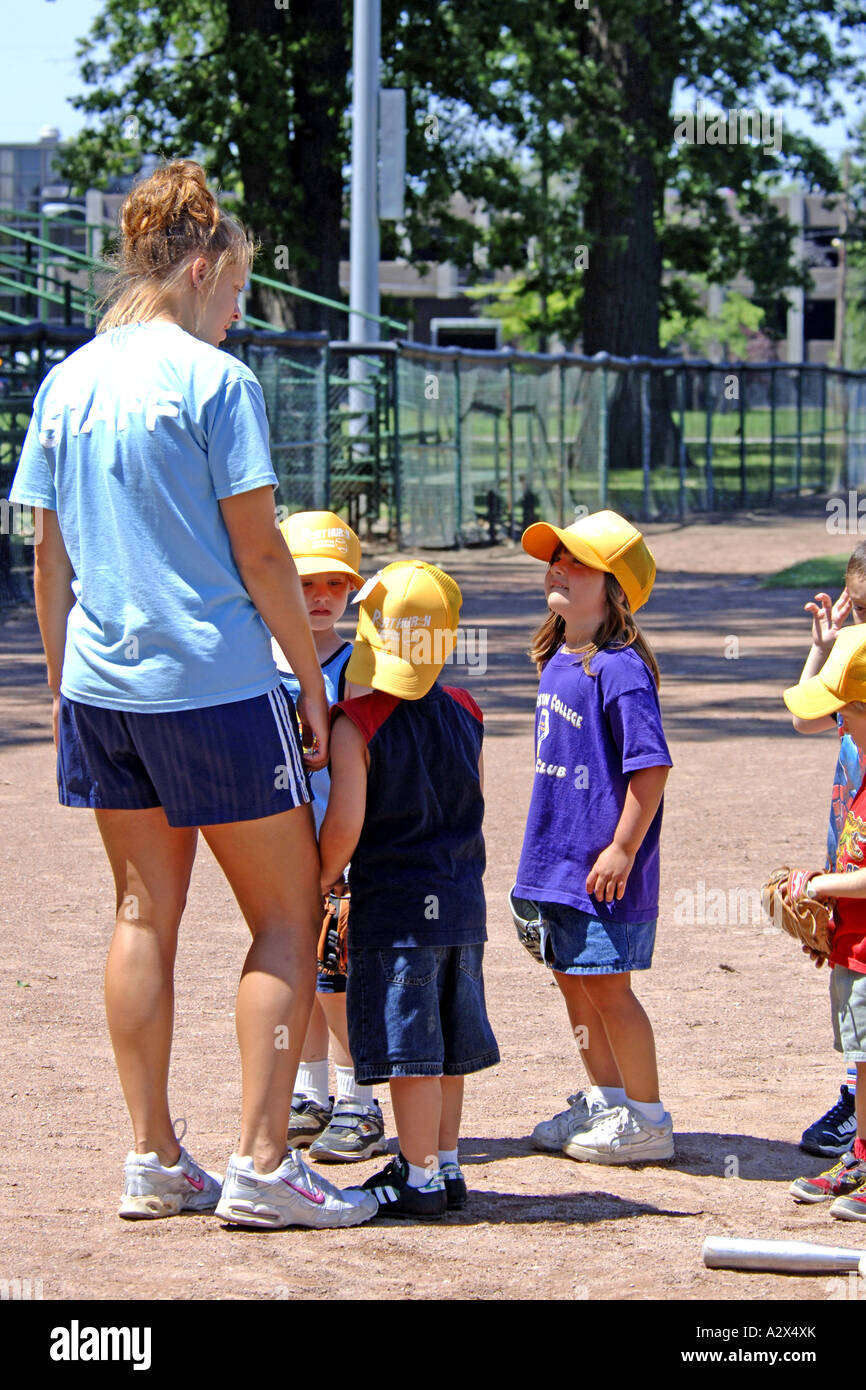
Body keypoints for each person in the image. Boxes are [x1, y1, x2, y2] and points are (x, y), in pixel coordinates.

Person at [7, 159, 376, 1230]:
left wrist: (63, 687)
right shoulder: (215, 381)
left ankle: (153, 1158)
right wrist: (311, 685)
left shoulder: (66, 380)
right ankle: (264, 1160)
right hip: (211, 687)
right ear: (206, 265)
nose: (238, 311)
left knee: (141, 915)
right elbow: (264, 557)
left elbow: (47, 562)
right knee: (286, 910)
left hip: (102, 692)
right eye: (238, 291)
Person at [319, 561, 500, 1217]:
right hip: (461, 904)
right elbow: (473, 796)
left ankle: (418, 1177)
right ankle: (445, 1164)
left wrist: (319, 876)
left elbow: (344, 824)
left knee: (410, 1054)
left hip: (395, 913)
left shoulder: (356, 721)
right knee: (447, 1048)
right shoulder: (466, 710)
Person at [512, 510, 674, 1163]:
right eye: (558, 558)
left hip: (604, 865)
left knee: (609, 987)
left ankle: (648, 1118)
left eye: (579, 562)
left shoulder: (620, 668)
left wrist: (623, 848)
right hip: (557, 861)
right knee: (572, 980)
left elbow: (651, 767)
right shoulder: (558, 658)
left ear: (615, 590)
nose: (560, 568)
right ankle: (607, 1100)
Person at [272, 509, 388, 1161]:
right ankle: (311, 1094)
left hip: (339, 852)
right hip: (277, 849)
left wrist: (342, 853)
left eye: (335, 586)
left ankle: (360, 1103)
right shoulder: (258, 662)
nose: (320, 599)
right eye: (305, 582)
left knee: (337, 980)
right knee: (299, 976)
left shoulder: (357, 665)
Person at [783, 625, 866, 1220]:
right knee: (862, 1063)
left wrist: (817, 886)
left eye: (844, 713)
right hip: (853, 945)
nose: (838, 725)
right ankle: (860, 1154)